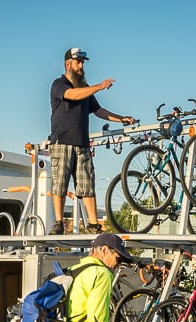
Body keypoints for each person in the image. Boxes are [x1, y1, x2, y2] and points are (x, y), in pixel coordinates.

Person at [48, 47, 136, 235]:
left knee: (87, 184)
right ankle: (58, 222)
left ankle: (93, 224)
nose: (81, 66)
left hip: (82, 144)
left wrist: (121, 118)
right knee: (60, 184)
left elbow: (98, 110)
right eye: (78, 62)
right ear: (68, 64)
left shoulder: (85, 90)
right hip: (62, 141)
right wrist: (99, 86)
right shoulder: (59, 84)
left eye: (83, 63)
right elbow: (71, 95)